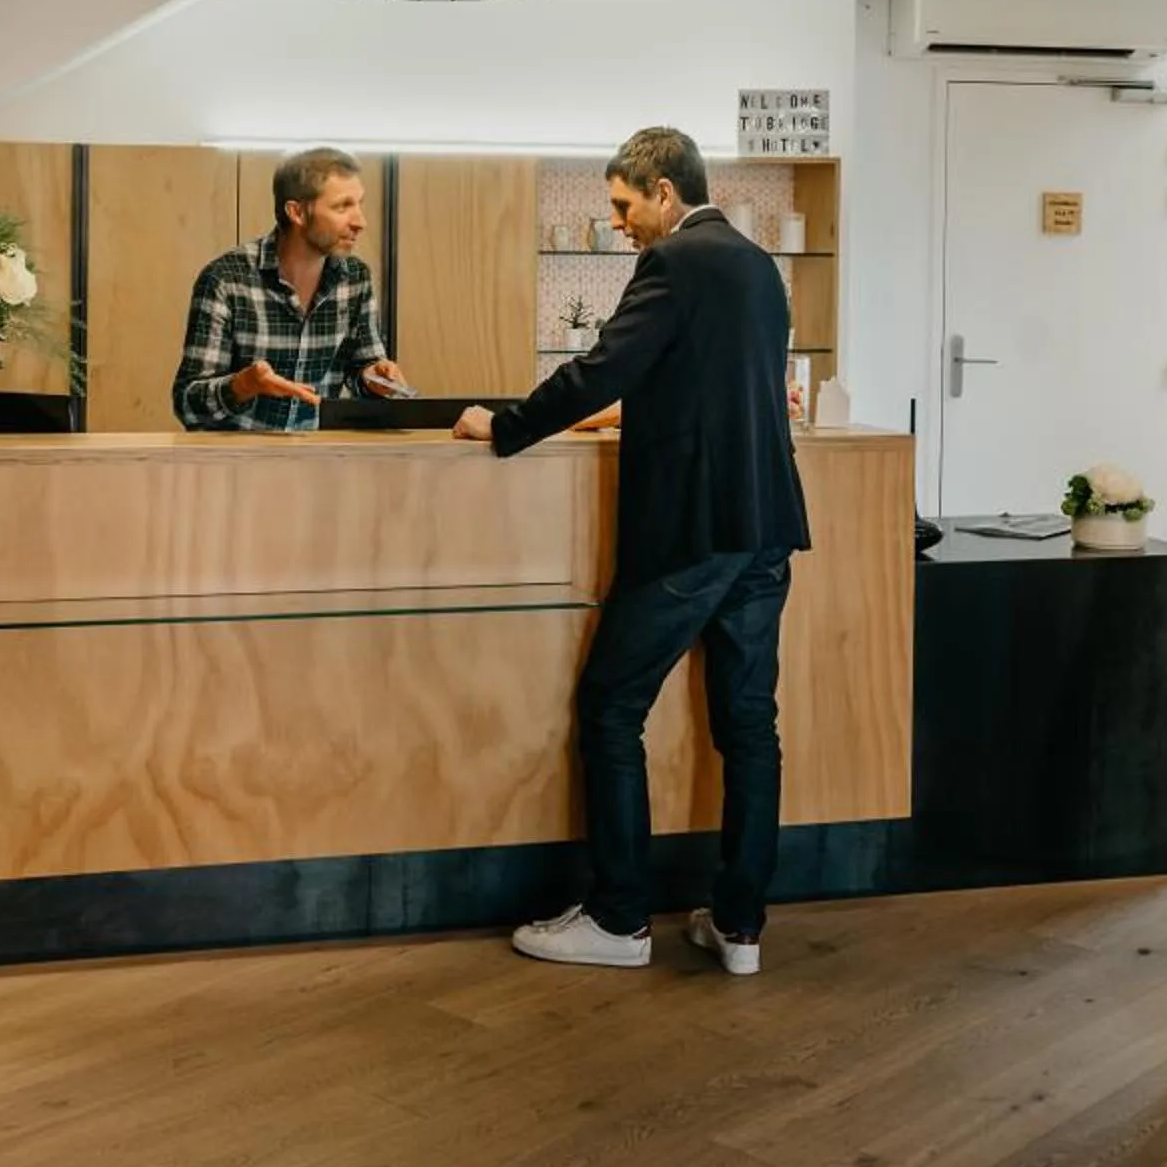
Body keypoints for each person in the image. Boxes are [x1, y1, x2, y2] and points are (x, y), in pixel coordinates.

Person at [454, 126, 809, 977]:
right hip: (765, 524)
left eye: (622, 205)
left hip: (692, 527)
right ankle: (741, 927)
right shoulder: (758, 264)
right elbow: (710, 383)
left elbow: (603, 367)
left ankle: (618, 918)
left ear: (664, 192)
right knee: (749, 725)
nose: (618, 223)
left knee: (611, 708)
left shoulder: (674, 262)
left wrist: (504, 427)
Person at [172, 146, 408, 430]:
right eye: (342, 206)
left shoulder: (356, 278)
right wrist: (243, 386)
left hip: (317, 454)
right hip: (237, 454)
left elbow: (363, 372)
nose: (360, 222)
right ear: (296, 212)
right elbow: (188, 405)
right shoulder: (226, 278)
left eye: (359, 204)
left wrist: (375, 378)